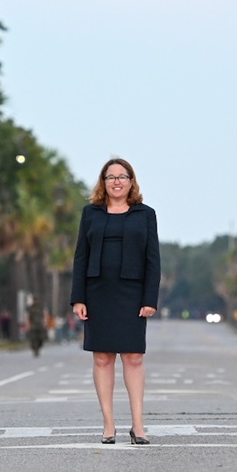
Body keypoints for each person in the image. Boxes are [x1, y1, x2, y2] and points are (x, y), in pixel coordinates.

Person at [71, 157, 160, 446]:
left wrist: (150, 298)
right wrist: (78, 298)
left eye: (123, 176)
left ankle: (138, 426)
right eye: (111, 177)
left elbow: (152, 260)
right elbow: (80, 257)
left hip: (132, 294)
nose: (117, 181)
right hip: (98, 292)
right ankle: (109, 425)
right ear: (103, 182)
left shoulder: (145, 214)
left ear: (132, 181)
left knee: (133, 356)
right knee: (102, 357)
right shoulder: (91, 214)